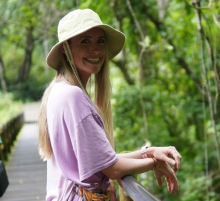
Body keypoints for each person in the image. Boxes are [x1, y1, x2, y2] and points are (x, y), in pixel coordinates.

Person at [38, 8, 182, 201]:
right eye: (85, 41)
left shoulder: (58, 90)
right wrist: (155, 163)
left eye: (100, 41)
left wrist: (148, 152)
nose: (96, 49)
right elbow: (113, 169)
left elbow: (103, 161)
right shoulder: (73, 97)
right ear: (66, 47)